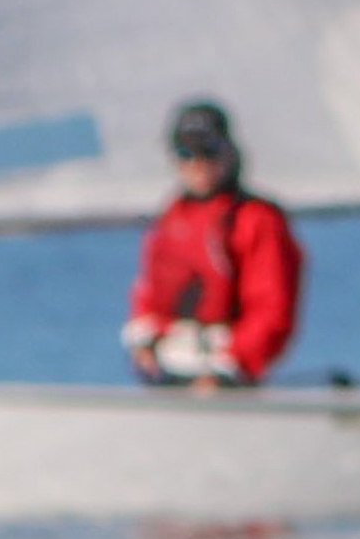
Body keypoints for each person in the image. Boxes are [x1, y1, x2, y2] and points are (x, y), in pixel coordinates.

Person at [126, 99, 302, 387]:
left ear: (229, 152)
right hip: (170, 368)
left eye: (209, 152)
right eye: (185, 153)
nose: (198, 163)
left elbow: (272, 310)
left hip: (226, 375)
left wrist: (229, 366)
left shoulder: (257, 220)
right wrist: (144, 343)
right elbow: (149, 293)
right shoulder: (173, 216)